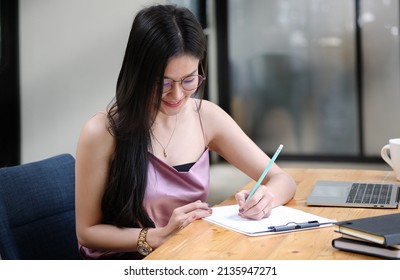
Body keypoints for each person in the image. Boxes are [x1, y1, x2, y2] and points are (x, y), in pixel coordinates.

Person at [75, 4, 296, 260]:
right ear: (139, 74)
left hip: (187, 254)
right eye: (163, 83)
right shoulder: (102, 131)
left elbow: (283, 180)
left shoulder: (206, 117)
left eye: (189, 80)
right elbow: (87, 232)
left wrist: (265, 199)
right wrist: (154, 236)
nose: (177, 95)